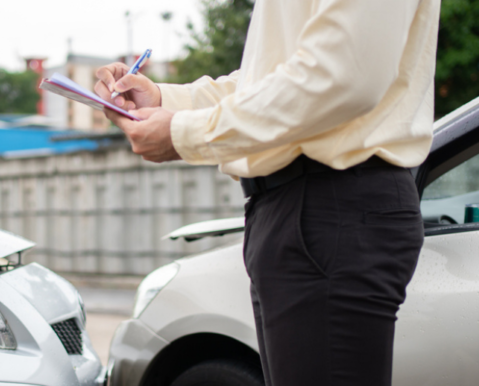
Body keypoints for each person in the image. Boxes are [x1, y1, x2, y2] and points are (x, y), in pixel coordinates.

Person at [95, 0, 440, 385]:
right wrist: (165, 100)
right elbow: (275, 77)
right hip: (300, 208)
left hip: (331, 204)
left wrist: (186, 133)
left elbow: (342, 75)